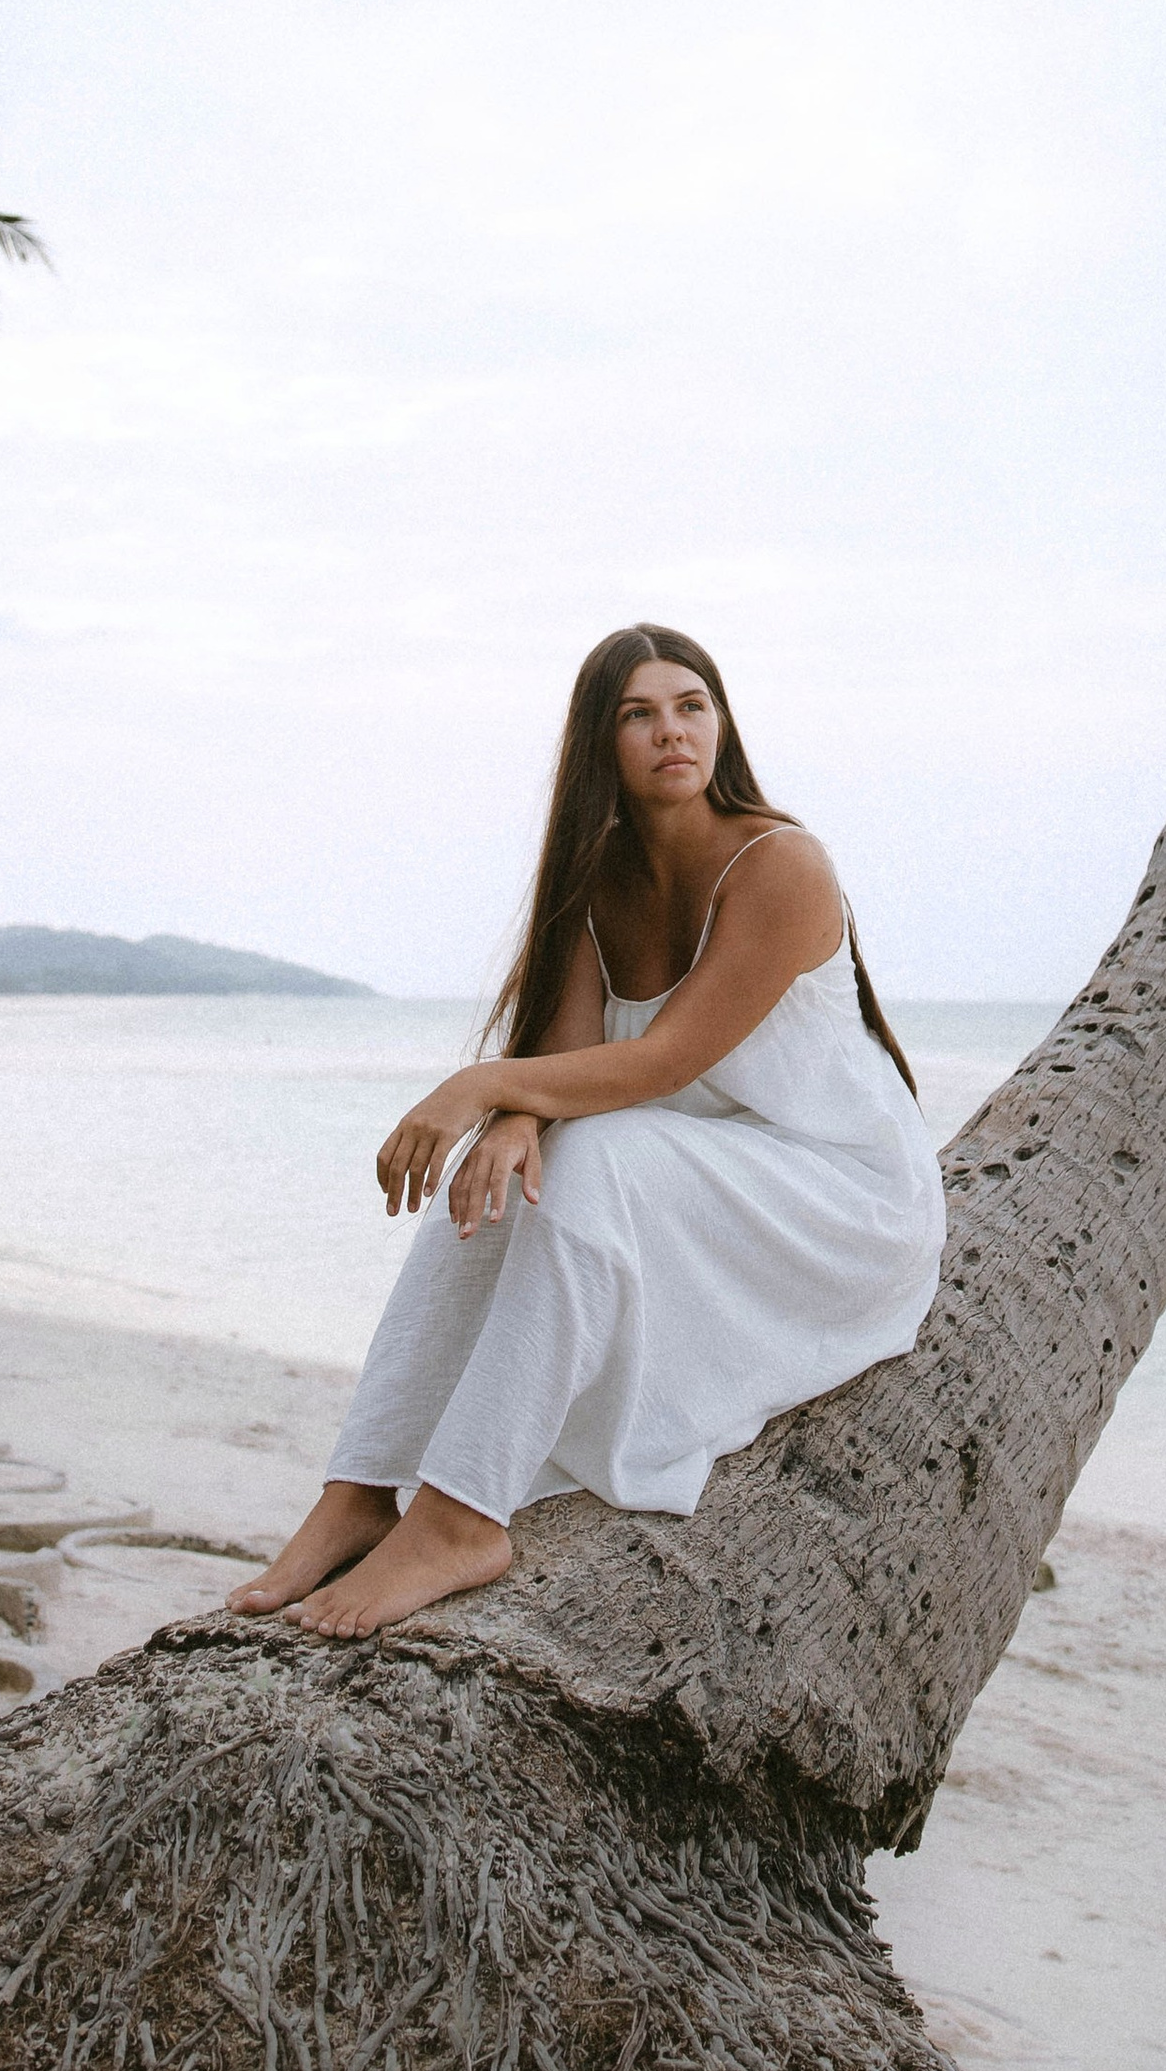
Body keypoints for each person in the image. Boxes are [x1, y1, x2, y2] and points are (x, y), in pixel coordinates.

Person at [230, 623, 947, 1637]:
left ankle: (462, 1517)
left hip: (840, 1203)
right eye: (638, 714)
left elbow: (661, 1064)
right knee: (498, 1179)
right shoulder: (598, 870)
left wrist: (475, 1083)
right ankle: (359, 1488)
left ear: (722, 722)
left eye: (691, 705)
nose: (671, 732)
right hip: (713, 1191)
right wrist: (513, 1120)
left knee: (598, 1151)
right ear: (598, 744)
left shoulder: (782, 865)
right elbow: (570, 1058)